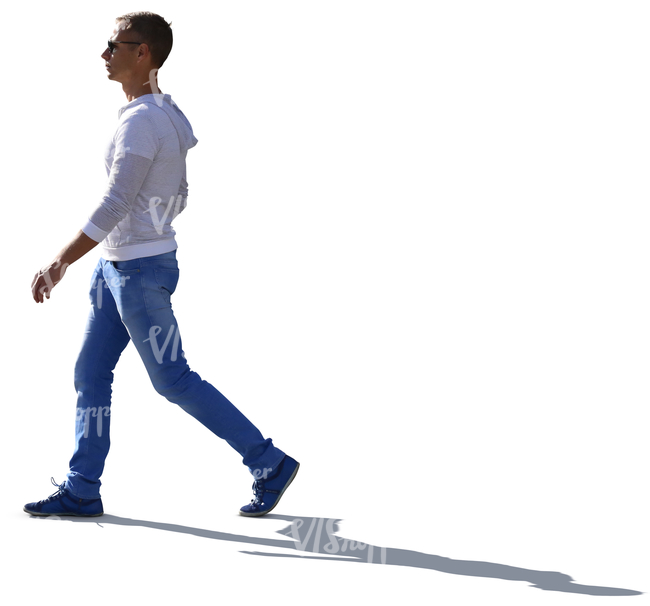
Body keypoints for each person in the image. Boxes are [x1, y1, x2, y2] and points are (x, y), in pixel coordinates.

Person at [24, 12, 298, 518]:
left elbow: (115, 203)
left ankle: (268, 461)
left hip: (139, 275)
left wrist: (59, 261)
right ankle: (83, 486)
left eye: (114, 44)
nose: (105, 53)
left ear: (142, 53)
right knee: (90, 373)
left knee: (172, 380)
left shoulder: (146, 121)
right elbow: (178, 194)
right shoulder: (158, 114)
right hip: (115, 270)